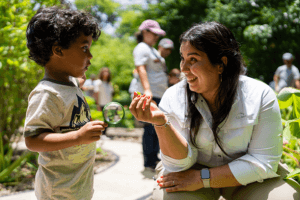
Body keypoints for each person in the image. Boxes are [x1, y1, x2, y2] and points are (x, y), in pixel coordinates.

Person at [130, 21, 299, 199]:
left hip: (248, 177)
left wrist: (202, 178)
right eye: (183, 59)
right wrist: (161, 124)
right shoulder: (173, 97)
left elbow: (263, 161)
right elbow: (178, 165)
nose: (184, 69)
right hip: (188, 172)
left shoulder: (260, 95)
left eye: (193, 60)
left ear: (221, 64)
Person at [23, 6, 106, 200]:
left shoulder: (70, 83)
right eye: (84, 48)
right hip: (58, 190)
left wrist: (80, 74)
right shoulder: (47, 94)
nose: (90, 56)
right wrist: (78, 137)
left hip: (77, 186)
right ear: (58, 50)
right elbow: (32, 140)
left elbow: (77, 83)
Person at [133, 19, 168, 171]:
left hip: (159, 93)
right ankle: (149, 163)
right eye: (154, 34)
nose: (156, 37)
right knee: (150, 128)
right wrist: (147, 91)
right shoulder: (142, 48)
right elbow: (141, 68)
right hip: (150, 93)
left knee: (157, 127)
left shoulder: (152, 49)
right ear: (145, 32)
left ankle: (154, 158)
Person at [94, 67, 114, 137]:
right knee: (100, 119)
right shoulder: (98, 82)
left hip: (108, 104)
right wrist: (98, 105)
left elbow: (111, 95)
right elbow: (96, 94)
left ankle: (105, 134)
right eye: (104, 72)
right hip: (101, 104)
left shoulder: (109, 84)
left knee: (107, 120)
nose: (106, 73)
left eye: (107, 72)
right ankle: (99, 133)